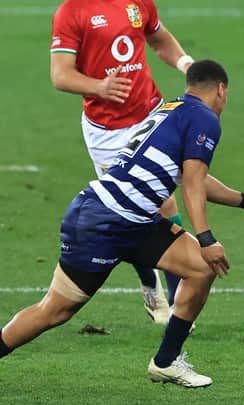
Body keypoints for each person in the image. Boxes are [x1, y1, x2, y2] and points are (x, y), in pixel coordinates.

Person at [0, 60, 244, 387]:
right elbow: (193, 184)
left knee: (200, 268)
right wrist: (207, 239)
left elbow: (192, 177)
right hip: (103, 221)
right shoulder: (205, 118)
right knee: (55, 311)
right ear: (221, 90)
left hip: (130, 220)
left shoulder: (172, 108)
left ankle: (165, 362)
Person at [50, 0, 196, 323]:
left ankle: (177, 304)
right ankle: (148, 281)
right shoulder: (72, 11)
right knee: (130, 212)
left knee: (165, 202)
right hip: (107, 132)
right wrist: (99, 87)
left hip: (150, 114)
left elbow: (158, 38)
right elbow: (60, 75)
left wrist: (187, 64)